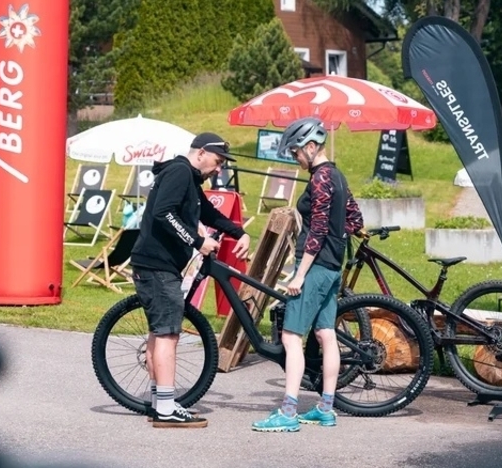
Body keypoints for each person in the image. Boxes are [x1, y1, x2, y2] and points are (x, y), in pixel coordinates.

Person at [131, 132, 251, 429]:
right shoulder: (180, 172)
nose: (219, 168)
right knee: (169, 334)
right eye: (218, 161)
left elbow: (209, 212)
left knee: (161, 333)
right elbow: (163, 213)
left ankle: (162, 404)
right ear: (201, 154)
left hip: (159, 265)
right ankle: (167, 409)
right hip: (157, 265)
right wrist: (197, 241)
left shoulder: (188, 177)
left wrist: (238, 232)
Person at [252, 117, 364, 433]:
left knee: (291, 336)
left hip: (314, 267)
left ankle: (288, 413)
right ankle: (325, 409)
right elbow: (355, 219)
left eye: (296, 152)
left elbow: (316, 229)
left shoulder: (319, 178)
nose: (294, 158)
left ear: (311, 147)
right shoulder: (337, 176)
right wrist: (336, 237)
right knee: (325, 334)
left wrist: (299, 275)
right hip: (332, 266)